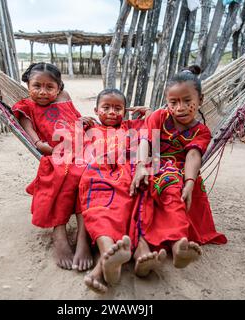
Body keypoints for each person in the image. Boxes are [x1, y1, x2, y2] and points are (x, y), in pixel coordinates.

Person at [130, 65, 227, 270]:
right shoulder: (159, 116)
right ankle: (164, 242)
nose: (180, 108)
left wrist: (190, 182)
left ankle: (177, 244)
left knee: (175, 186)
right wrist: (140, 166)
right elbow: (146, 140)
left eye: (187, 101)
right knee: (141, 188)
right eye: (173, 102)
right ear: (167, 102)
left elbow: (193, 155)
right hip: (152, 163)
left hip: (181, 171)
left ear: (200, 100)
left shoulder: (202, 131)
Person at [78, 89, 165, 294]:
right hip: (97, 174)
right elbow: (69, 142)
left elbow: (153, 126)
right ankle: (108, 251)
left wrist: (150, 112)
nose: (111, 112)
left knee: (127, 206)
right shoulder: (90, 130)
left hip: (125, 173)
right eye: (106, 107)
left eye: (117, 108)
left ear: (125, 112)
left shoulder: (130, 126)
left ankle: (109, 259)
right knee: (98, 207)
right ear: (96, 110)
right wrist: (78, 124)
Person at [12, 62, 94, 271]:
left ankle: (83, 237)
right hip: (56, 153)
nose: (42, 91)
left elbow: (72, 118)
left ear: (59, 88)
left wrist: (81, 121)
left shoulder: (64, 98)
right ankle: (59, 234)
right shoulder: (26, 107)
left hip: (82, 146)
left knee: (91, 175)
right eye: (37, 86)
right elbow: (33, 137)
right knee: (67, 177)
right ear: (28, 85)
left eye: (50, 87)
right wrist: (45, 147)